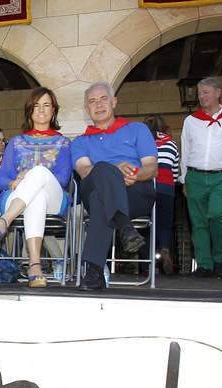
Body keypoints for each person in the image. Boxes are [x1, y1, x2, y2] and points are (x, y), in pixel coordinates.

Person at [0, 87, 72, 288]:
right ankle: (34, 266)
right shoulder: (16, 142)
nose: (41, 110)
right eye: (37, 105)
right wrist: (14, 182)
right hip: (18, 196)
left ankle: (3, 222)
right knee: (36, 197)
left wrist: (31, 175)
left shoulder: (63, 143)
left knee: (39, 173)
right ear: (30, 110)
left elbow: (63, 179)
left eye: (46, 105)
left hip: (54, 199)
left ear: (54, 110)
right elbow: (2, 179)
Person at [71, 81, 157, 290]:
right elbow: (84, 171)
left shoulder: (137, 129)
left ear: (114, 102)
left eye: (103, 99)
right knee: (101, 170)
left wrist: (135, 175)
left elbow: (151, 168)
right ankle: (125, 228)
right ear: (87, 108)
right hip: (95, 185)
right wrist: (115, 171)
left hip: (135, 191)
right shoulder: (80, 142)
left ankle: (93, 272)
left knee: (101, 200)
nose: (98, 105)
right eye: (92, 101)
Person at [180, 77, 222, 278]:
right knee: (198, 222)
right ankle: (205, 265)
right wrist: (184, 179)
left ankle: (220, 260)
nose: (201, 96)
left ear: (218, 93)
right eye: (199, 93)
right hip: (195, 177)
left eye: (206, 92)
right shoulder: (191, 121)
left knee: (216, 215)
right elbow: (185, 150)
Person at [143, 114, 179, 275]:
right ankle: (164, 248)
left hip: (147, 187)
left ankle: (147, 265)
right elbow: (176, 172)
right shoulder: (171, 143)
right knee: (165, 225)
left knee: (145, 226)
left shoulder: (142, 142)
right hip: (167, 188)